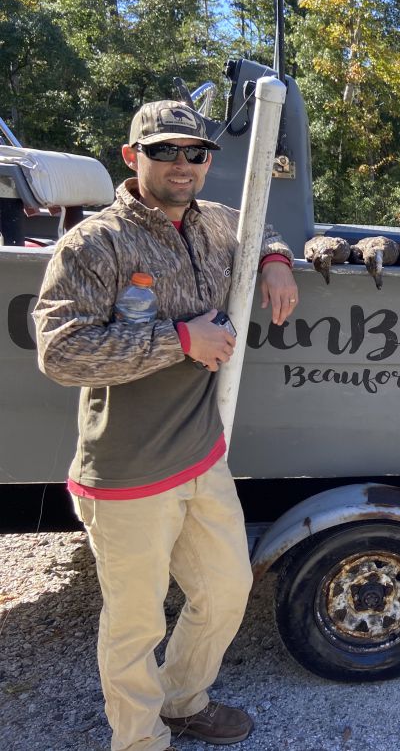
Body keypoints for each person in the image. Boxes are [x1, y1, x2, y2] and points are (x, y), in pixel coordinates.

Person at [33, 100, 300, 751]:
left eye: (196, 152)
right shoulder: (96, 243)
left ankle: (183, 700)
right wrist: (179, 340)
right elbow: (60, 352)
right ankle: (140, 739)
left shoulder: (214, 224)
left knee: (228, 590)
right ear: (133, 158)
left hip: (201, 458)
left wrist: (274, 261)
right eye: (164, 151)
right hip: (126, 475)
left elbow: (260, 227)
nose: (182, 164)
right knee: (134, 626)